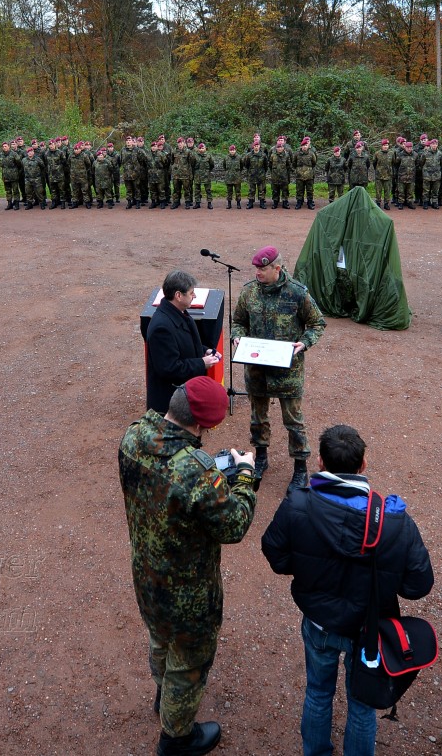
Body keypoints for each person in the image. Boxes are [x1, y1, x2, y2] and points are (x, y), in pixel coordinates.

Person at [261, 424, 433, 756]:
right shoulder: (395, 521)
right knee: (362, 705)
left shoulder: (297, 505)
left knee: (318, 692)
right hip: (368, 631)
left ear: (321, 463)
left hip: (318, 620)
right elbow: (418, 585)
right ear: (363, 464)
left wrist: (307, 566)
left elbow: (276, 555)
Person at [119, 376, 258, 756]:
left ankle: (164, 697)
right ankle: (176, 738)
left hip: (146, 573)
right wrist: (244, 475)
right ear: (201, 425)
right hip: (188, 592)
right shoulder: (197, 472)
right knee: (190, 656)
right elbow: (234, 525)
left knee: (159, 636)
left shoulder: (132, 437)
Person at [231, 246, 327, 489]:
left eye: (262, 269)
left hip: (288, 372)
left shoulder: (297, 293)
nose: (257, 273)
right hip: (257, 370)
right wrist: (237, 336)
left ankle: (300, 469)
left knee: (294, 421)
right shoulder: (249, 293)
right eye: (256, 268)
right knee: (258, 417)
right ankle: (261, 458)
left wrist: (304, 343)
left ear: (277, 268)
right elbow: (238, 322)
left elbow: (317, 323)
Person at [146, 270, 223, 413]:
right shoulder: (161, 328)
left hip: (183, 397)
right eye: (191, 292)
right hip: (171, 405)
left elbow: (183, 343)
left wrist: (203, 350)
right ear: (178, 295)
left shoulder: (178, 311)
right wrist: (202, 363)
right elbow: (170, 368)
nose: (194, 296)